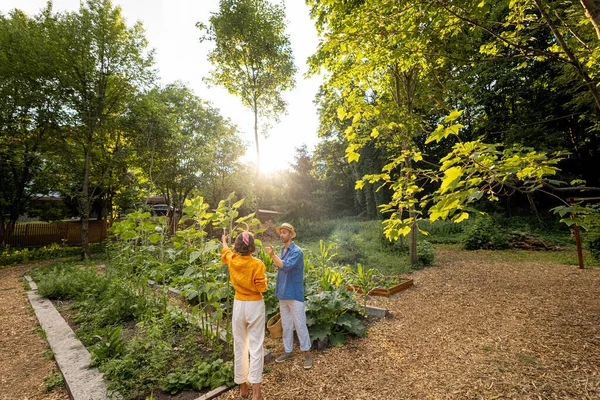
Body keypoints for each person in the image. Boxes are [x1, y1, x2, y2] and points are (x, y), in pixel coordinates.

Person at [222, 231, 267, 400]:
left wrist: (224, 241)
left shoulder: (232, 260)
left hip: (239, 305)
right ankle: (256, 393)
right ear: (252, 247)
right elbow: (261, 288)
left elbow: (225, 252)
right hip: (255, 305)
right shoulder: (258, 264)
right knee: (256, 347)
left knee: (240, 345)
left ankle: (242, 388)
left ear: (237, 246)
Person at [265, 222, 313, 370]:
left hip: (294, 294)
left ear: (291, 234)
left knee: (300, 324)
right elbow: (281, 265)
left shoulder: (297, 252)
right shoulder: (282, 249)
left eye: (285, 232)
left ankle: (307, 354)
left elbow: (285, 266)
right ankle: (288, 351)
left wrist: (272, 255)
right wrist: (276, 257)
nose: (281, 234)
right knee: (286, 325)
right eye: (281, 232)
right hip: (283, 292)